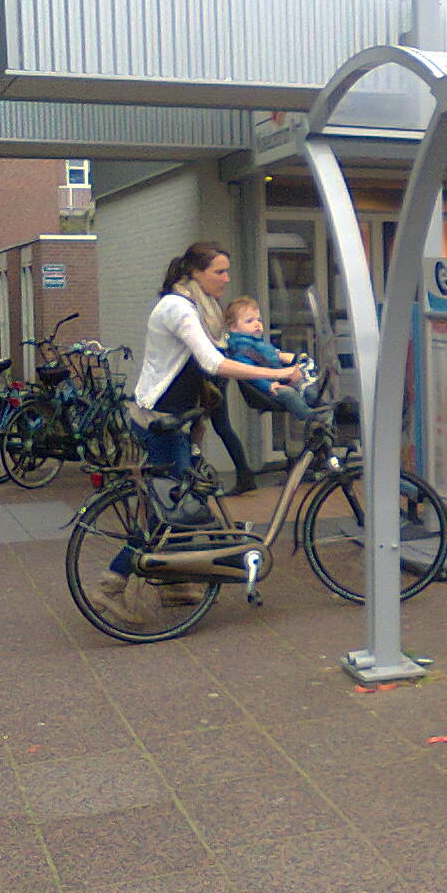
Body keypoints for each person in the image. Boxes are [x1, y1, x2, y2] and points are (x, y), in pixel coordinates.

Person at [95, 242, 301, 626]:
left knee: (183, 501)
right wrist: (276, 376)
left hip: (179, 418)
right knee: (173, 509)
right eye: (219, 272)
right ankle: (112, 582)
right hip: (159, 420)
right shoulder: (177, 308)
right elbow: (213, 362)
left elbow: (234, 350)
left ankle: (173, 583)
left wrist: (279, 360)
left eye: (227, 271)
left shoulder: (198, 307)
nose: (226, 279)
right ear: (195, 272)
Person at [223, 297, 322, 420]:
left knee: (305, 388)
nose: (257, 324)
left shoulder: (259, 343)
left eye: (259, 320)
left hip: (278, 378)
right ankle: (311, 418)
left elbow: (272, 358)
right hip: (266, 387)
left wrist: (287, 361)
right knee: (289, 394)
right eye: (249, 321)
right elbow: (249, 374)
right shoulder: (241, 350)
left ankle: (325, 408)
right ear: (233, 328)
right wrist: (268, 386)